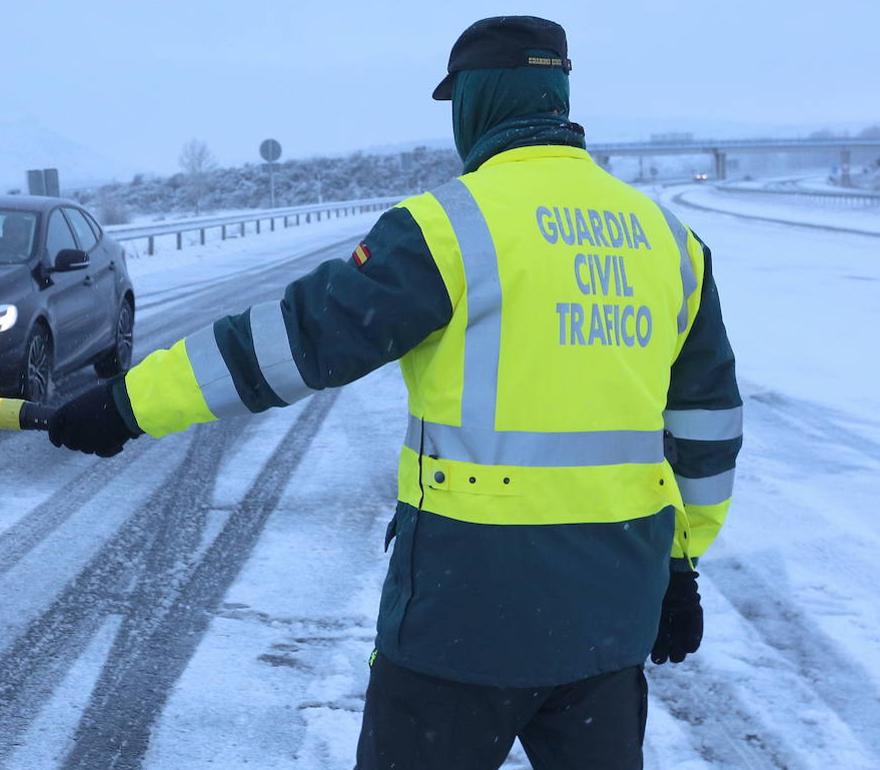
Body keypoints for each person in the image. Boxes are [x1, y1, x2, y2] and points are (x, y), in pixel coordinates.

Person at [46, 15, 741, 769]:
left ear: (475, 101)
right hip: (611, 612)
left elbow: (290, 344)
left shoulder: (449, 227)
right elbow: (708, 426)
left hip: (464, 618)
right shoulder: (668, 240)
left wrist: (127, 404)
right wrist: (679, 562)